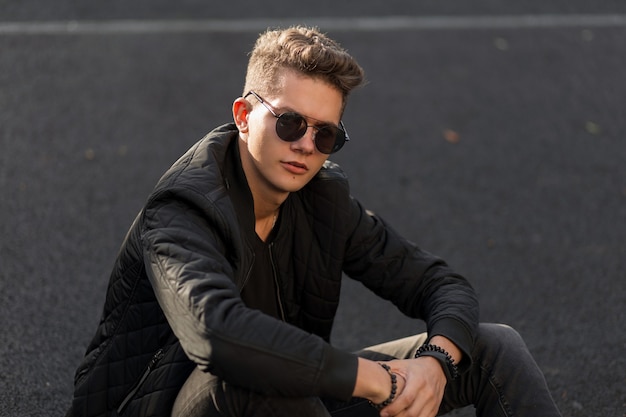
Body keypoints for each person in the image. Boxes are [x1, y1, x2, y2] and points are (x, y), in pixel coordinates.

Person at [67, 26, 562, 417]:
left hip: (284, 403)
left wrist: (437, 362)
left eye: (325, 135)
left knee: (494, 345)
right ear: (243, 115)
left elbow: (439, 282)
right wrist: (381, 382)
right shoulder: (182, 210)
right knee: (255, 370)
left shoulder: (322, 199)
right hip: (161, 406)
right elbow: (220, 336)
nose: (306, 145)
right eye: (290, 123)